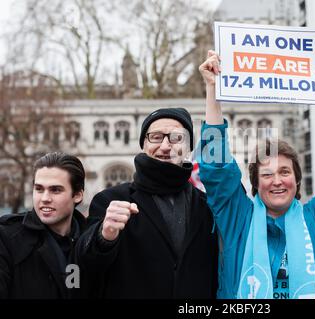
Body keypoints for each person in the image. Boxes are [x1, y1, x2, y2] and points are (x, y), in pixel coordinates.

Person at [197, 50, 315, 299]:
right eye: (266, 174)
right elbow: (216, 169)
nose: (277, 181)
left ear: (297, 180)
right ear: (255, 183)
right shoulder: (238, 218)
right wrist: (212, 90)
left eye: (284, 172)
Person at [75, 108, 218, 298]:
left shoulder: (206, 205)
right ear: (144, 143)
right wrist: (104, 236)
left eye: (176, 138)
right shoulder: (109, 200)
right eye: (156, 137)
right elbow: (86, 266)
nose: (166, 146)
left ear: (189, 147)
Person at [0, 152, 87, 298]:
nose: (45, 198)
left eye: (56, 190)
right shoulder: (6, 238)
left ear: (77, 194)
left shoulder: (91, 241)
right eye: (39, 189)